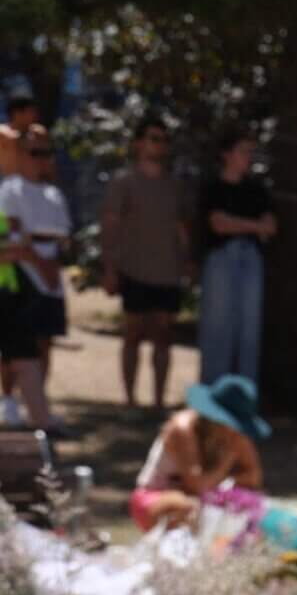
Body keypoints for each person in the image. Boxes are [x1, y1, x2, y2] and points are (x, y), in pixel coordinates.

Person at [101, 119, 191, 410]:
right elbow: (111, 225)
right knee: (133, 334)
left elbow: (181, 228)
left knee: (164, 337)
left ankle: (158, 402)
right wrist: (110, 268)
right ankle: (129, 400)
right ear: (139, 143)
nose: (160, 145)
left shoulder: (174, 185)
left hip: (167, 272)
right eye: (154, 138)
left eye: (164, 139)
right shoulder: (124, 181)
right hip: (134, 269)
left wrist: (187, 261)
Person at [130, 375, 268, 532]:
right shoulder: (183, 429)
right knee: (188, 508)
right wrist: (227, 461)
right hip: (155, 498)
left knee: (255, 507)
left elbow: (253, 478)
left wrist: (227, 478)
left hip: (199, 498)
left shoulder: (234, 435)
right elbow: (197, 485)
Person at [198, 129, 275, 386]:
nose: (248, 157)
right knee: (217, 327)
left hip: (251, 259)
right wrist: (254, 225)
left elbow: (270, 227)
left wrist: (238, 224)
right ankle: (212, 393)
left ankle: (243, 394)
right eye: (243, 151)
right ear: (226, 154)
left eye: (250, 152)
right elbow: (218, 224)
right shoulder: (213, 188)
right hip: (221, 260)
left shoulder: (257, 190)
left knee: (249, 330)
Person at [0, 155, 61, 435]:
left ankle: (42, 420)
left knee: (25, 357)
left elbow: (16, 243)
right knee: (24, 357)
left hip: (11, 293)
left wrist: (24, 253)